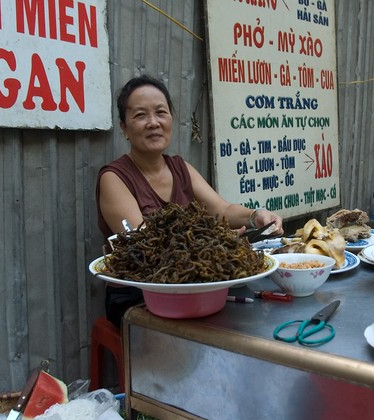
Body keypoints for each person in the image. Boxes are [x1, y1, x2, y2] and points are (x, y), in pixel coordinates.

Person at [96, 74, 284, 327]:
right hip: (138, 298)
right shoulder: (114, 178)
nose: (153, 122)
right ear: (124, 127)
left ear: (171, 119)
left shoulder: (180, 167)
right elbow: (143, 247)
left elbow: (222, 210)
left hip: (192, 286)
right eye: (140, 115)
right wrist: (220, 241)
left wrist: (256, 217)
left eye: (161, 112)